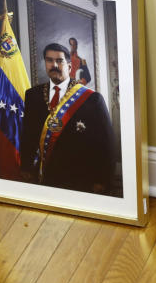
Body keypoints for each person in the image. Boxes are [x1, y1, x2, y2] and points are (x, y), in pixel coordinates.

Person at [20, 43, 116, 195]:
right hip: (45, 176)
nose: (54, 65)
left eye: (59, 61)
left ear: (70, 67)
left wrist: (102, 180)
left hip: (80, 178)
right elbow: (27, 135)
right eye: (49, 60)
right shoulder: (33, 95)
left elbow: (107, 143)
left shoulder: (92, 99)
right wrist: (25, 167)